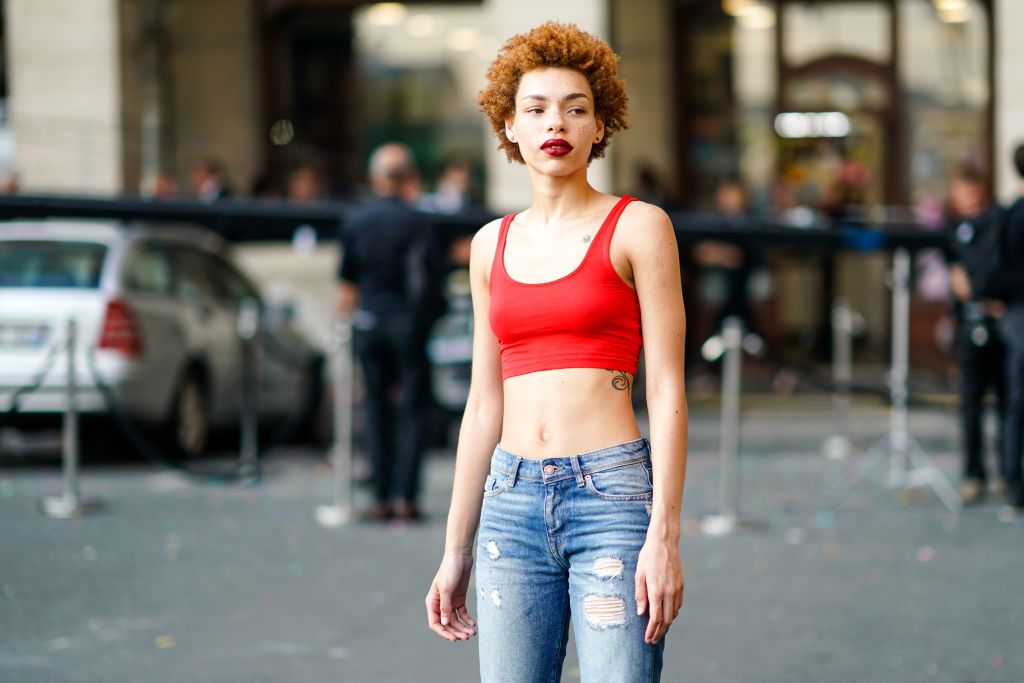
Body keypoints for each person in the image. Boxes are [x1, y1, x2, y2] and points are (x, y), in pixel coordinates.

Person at [425, 22, 687, 682]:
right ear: (508, 127)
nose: (556, 123)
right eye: (536, 109)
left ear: (601, 126)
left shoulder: (639, 226)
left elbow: (667, 390)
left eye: (576, 108)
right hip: (508, 502)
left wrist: (664, 534)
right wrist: (455, 548)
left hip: (612, 498)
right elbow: (483, 402)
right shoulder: (491, 244)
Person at [337, 143, 438, 521]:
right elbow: (432, 274)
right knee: (413, 411)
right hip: (408, 325)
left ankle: (379, 497)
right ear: (408, 179)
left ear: (375, 177)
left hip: (369, 322)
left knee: (375, 408)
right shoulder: (418, 221)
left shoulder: (355, 220)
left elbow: (347, 285)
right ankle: (406, 498)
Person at [943, 168, 1008, 504]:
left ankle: (1006, 471)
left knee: (1005, 400)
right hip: (970, 325)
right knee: (970, 404)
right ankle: (974, 473)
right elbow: (958, 280)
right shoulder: (953, 230)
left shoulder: (999, 224)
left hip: (1001, 322)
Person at [990, 144, 1024, 517]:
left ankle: (1013, 480)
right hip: (1019, 313)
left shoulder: (1009, 213)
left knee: (1015, 401)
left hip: (1015, 314)